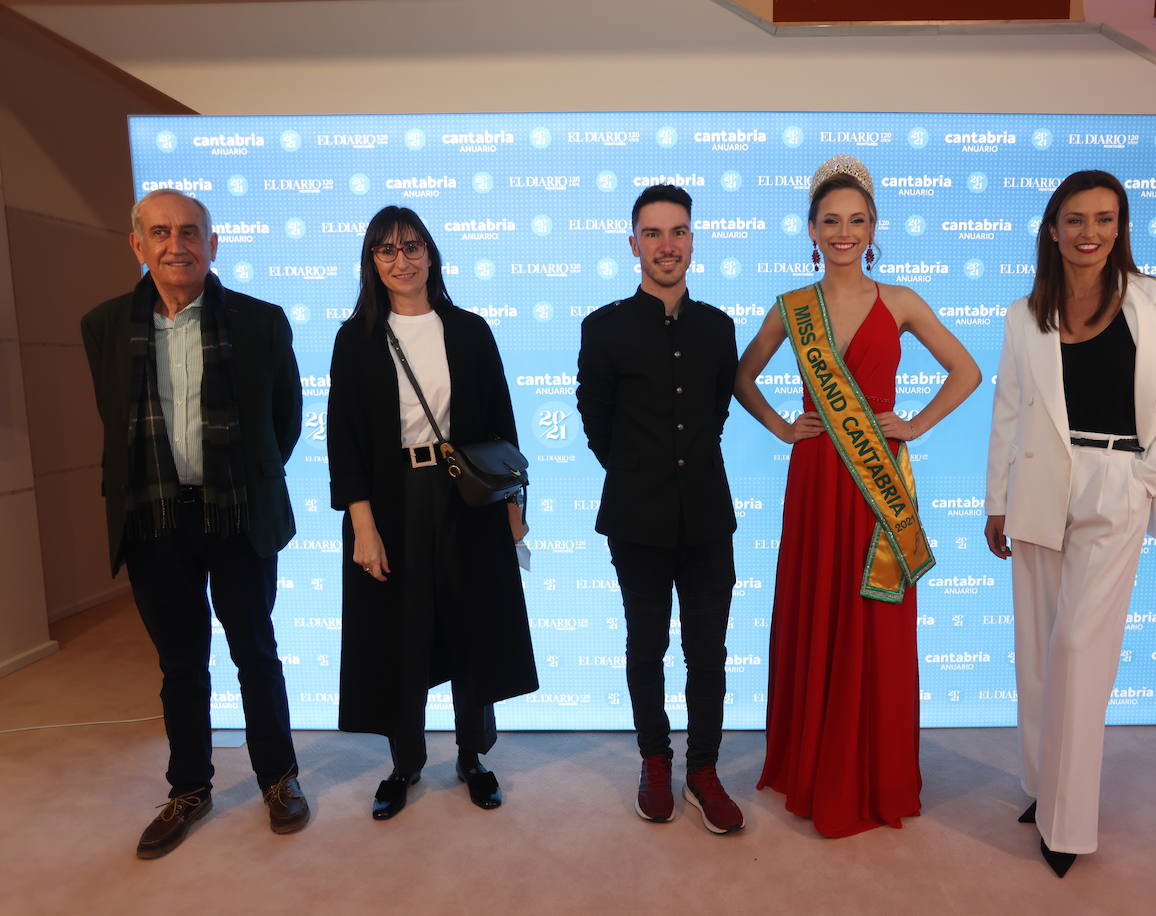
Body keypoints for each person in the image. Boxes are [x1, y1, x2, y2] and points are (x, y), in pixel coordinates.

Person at [735, 155, 981, 837]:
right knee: (818, 607)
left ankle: (872, 771)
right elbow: (742, 375)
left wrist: (917, 424)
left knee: (875, 618)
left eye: (857, 220)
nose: (844, 232)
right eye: (831, 221)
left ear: (874, 229)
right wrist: (784, 426)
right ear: (811, 230)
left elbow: (966, 370)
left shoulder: (900, 301)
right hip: (816, 476)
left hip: (879, 481)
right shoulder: (791, 308)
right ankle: (813, 764)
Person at [983, 170, 1156, 877]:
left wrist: (1147, 478)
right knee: (1040, 649)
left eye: (1104, 219)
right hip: (1041, 483)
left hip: (1118, 482)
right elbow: (1010, 412)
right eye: (1076, 220)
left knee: (1079, 648)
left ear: (1121, 226)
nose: (1090, 234)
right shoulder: (1025, 315)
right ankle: (1043, 786)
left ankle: (1068, 825)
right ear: (1053, 229)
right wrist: (997, 501)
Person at [80, 189, 309, 858]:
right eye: (160, 232)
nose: (175, 244)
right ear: (138, 245)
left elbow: (283, 423)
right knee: (180, 664)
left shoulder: (262, 321)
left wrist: (241, 480)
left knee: (255, 653)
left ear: (212, 244)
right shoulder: (102, 326)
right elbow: (116, 423)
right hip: (154, 518)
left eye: (189, 232)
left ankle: (279, 779)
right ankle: (189, 788)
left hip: (236, 513)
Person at [327, 206, 537, 820]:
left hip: (466, 497)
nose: (402, 261)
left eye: (412, 247)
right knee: (400, 631)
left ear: (431, 253)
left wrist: (514, 509)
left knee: (471, 627)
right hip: (392, 501)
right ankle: (405, 763)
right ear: (371, 262)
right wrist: (362, 527)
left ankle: (473, 756)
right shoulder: (356, 337)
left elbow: (502, 426)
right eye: (387, 251)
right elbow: (344, 440)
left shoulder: (470, 330)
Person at [576, 185, 743, 834]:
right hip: (635, 522)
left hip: (707, 519)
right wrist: (643, 477)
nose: (666, 245)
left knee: (708, 653)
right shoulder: (604, 326)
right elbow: (596, 426)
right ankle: (654, 760)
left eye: (678, 232)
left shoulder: (718, 328)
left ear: (692, 241)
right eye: (653, 233)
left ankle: (703, 771)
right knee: (645, 647)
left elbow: (716, 416)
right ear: (633, 244)